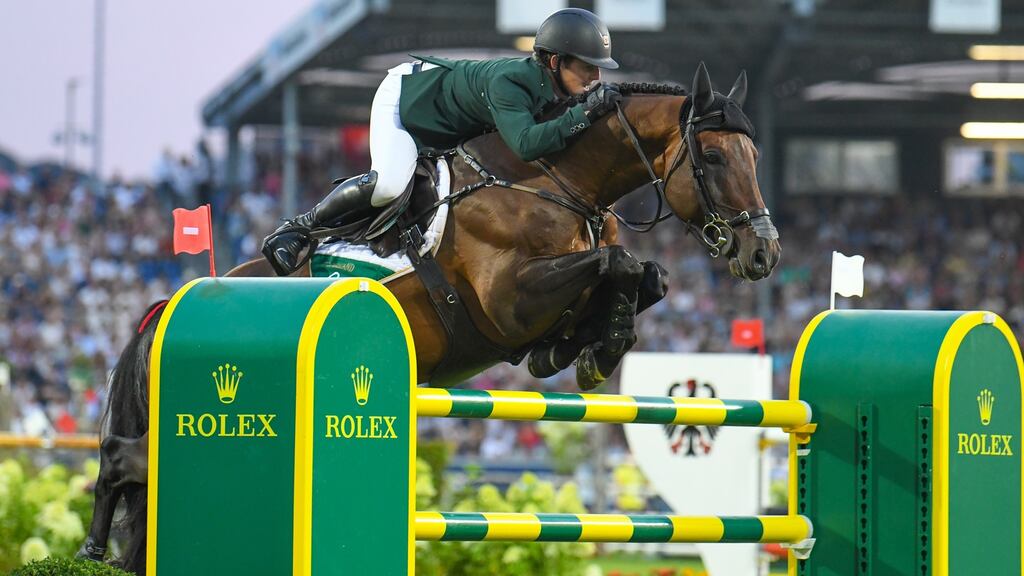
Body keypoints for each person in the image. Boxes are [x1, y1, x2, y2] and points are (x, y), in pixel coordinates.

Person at [262, 8, 623, 275]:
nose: (596, 76)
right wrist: (584, 115)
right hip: (406, 103)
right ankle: (298, 228)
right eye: (588, 66)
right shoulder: (511, 84)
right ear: (556, 61)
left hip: (448, 127)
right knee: (389, 185)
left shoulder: (556, 87)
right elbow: (527, 145)